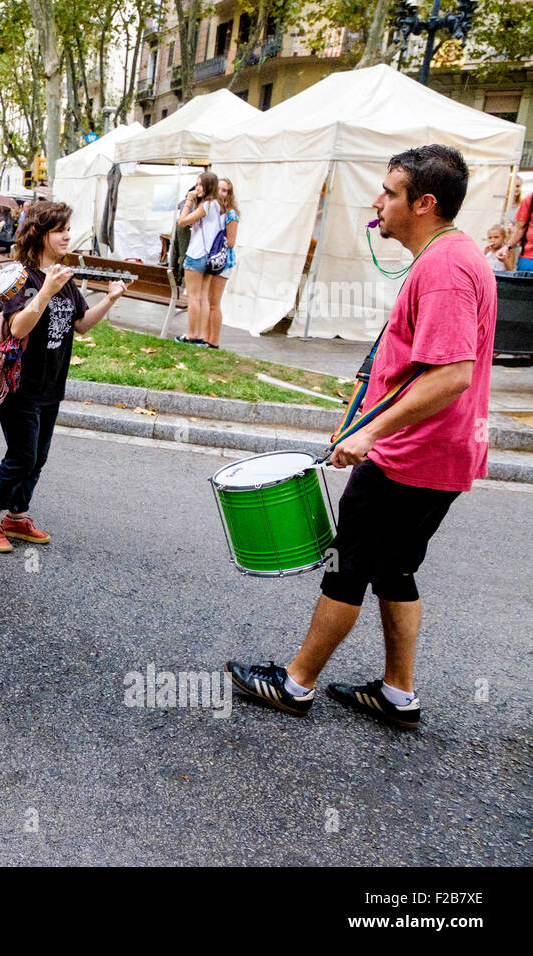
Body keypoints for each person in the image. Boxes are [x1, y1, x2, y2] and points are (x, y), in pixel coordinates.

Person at [227, 145, 495, 730]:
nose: (378, 201)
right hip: (435, 452)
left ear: (424, 204)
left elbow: (452, 374)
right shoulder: (452, 254)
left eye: (390, 192)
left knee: (348, 567)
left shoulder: (445, 267)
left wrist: (370, 434)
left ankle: (295, 684)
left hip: (410, 456)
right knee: (394, 568)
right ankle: (398, 694)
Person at [0, 201, 127, 553]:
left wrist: (110, 299)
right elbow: (17, 327)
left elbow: (82, 325)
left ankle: (16, 515)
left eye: (68, 229)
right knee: (22, 455)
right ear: (40, 234)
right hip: (17, 385)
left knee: (38, 457)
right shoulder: (22, 278)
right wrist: (45, 291)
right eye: (60, 230)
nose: (67, 236)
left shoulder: (64, 277)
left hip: (50, 384)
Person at [175, 170, 221, 347]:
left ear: (208, 186)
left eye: (200, 184)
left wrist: (188, 200)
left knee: (194, 298)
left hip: (196, 254)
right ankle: (200, 335)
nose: (197, 188)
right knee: (203, 297)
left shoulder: (206, 205)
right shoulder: (217, 205)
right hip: (210, 257)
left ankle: (192, 334)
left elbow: (182, 221)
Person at [201, 176, 240, 349]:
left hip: (222, 262)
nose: (221, 193)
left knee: (214, 304)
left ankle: (213, 341)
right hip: (210, 261)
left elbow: (231, 242)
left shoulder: (231, 214)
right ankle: (205, 338)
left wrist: (215, 236)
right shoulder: (213, 210)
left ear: (229, 194)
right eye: (220, 189)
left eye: (225, 190)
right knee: (207, 302)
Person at [500, 181, 531, 271]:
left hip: (516, 246)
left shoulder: (522, 202)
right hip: (526, 255)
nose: (515, 188)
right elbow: (520, 227)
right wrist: (507, 246)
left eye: (518, 186)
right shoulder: (529, 200)